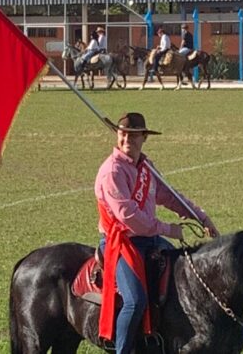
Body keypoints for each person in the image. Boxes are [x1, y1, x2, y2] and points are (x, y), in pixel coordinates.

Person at [95, 113, 217, 354]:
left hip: (150, 239)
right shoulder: (112, 172)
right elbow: (129, 216)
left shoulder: (146, 168)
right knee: (135, 301)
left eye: (134, 135)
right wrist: (169, 229)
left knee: (183, 276)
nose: (127, 139)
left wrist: (200, 217)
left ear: (144, 138)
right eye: (123, 134)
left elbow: (170, 195)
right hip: (122, 243)